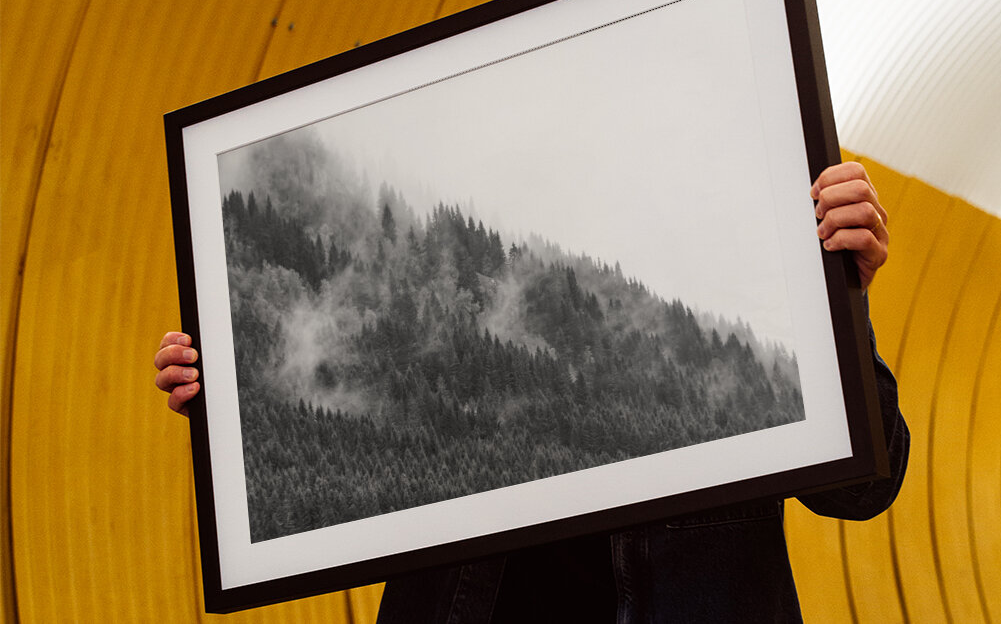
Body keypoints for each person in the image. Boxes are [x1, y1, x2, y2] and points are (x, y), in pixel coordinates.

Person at [154, 162, 909, 623]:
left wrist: (839, 298)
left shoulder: (742, 286)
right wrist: (240, 396)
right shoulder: (451, 299)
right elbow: (349, 408)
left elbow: (866, 486)